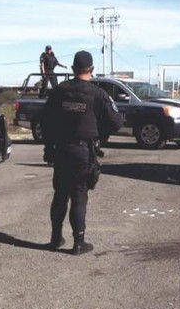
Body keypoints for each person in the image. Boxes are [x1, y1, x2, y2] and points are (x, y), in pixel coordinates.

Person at [40, 50, 124, 255]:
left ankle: (55, 238)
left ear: (72, 69)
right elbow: (116, 122)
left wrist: (48, 147)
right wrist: (99, 132)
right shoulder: (98, 94)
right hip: (83, 152)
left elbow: (46, 121)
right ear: (92, 69)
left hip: (61, 150)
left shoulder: (59, 91)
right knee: (78, 197)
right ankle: (79, 242)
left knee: (60, 195)